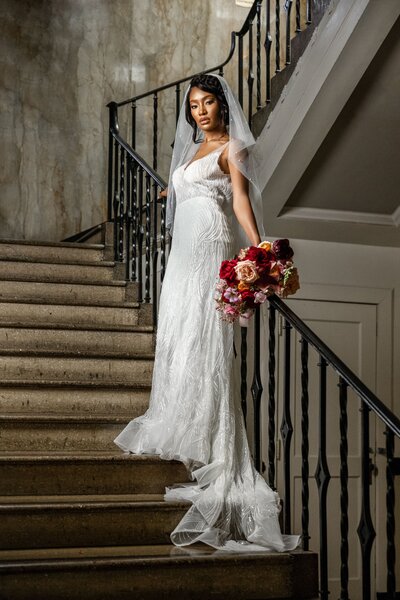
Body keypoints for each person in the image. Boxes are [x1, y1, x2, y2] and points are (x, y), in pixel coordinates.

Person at [114, 74, 300, 552]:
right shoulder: (189, 151)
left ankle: (212, 441)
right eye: (193, 104)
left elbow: (236, 197)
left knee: (205, 335)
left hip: (210, 244)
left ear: (222, 105)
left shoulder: (232, 146)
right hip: (182, 252)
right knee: (179, 329)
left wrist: (258, 244)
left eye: (208, 102)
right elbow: (187, 188)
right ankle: (181, 415)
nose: (200, 111)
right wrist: (172, 191)